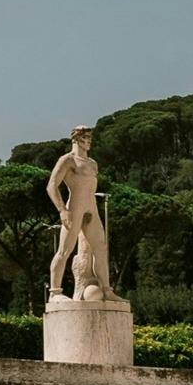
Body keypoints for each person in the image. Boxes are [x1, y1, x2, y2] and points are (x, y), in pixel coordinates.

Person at [47, 126, 119, 300]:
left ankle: (107, 291)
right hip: (74, 209)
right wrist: (62, 210)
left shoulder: (93, 163)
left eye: (90, 138)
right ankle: (55, 292)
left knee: (101, 248)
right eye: (84, 137)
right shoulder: (67, 160)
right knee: (64, 250)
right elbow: (51, 186)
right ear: (75, 138)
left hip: (91, 208)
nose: (88, 141)